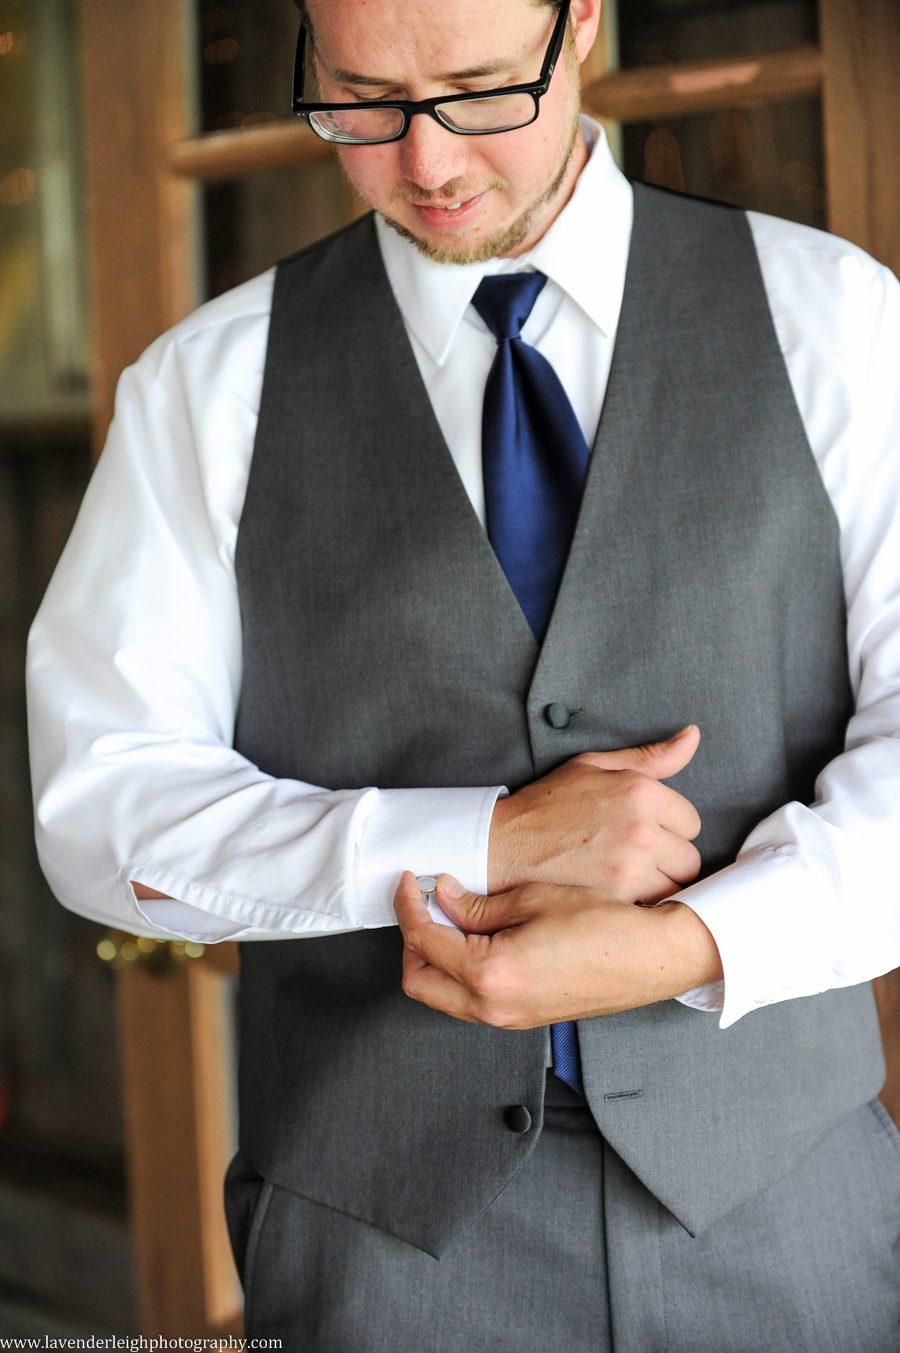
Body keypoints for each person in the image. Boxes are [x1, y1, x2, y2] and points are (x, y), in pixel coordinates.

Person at [26, 0, 900, 1347]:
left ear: (584, 24)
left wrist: (693, 942)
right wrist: (478, 839)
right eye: (362, 100)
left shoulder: (832, 316)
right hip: (375, 1249)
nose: (426, 163)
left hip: (792, 1220)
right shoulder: (206, 389)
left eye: (484, 91)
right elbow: (104, 810)